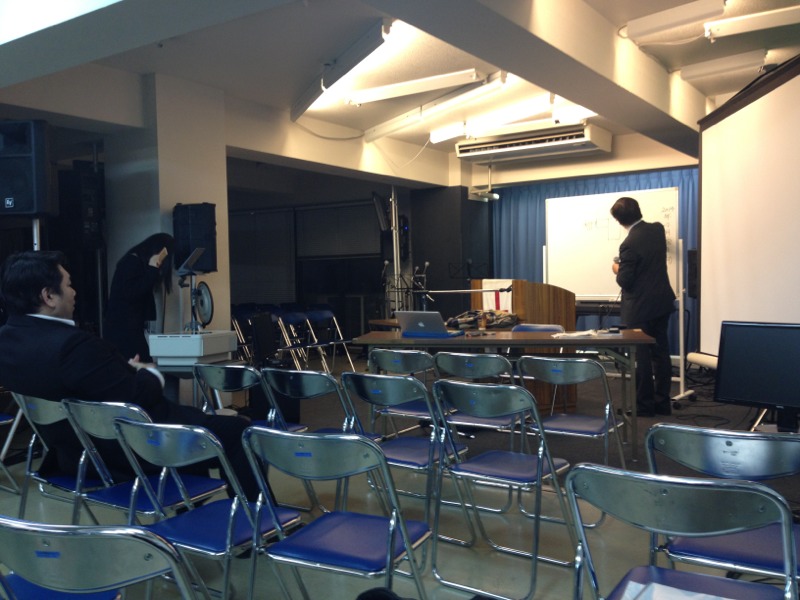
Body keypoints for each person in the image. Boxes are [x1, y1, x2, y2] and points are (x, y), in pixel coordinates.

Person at [0, 251, 258, 499]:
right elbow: (136, 397)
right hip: (129, 452)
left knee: (197, 439)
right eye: (68, 285)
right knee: (240, 432)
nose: (74, 292)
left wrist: (120, 370)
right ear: (49, 296)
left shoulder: (7, 341)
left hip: (74, 455)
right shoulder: (73, 345)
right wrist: (149, 372)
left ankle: (192, 512)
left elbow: (85, 384)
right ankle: (259, 517)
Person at [610, 196, 675, 417]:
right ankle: (662, 403)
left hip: (639, 308)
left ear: (619, 221)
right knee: (661, 354)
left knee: (641, 357)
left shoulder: (628, 244)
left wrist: (617, 268)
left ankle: (644, 406)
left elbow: (625, 281)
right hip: (662, 303)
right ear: (639, 211)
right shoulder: (657, 229)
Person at [104, 233, 175, 362]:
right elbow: (133, 292)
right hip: (123, 331)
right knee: (142, 365)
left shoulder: (133, 262)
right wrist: (153, 269)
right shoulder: (132, 262)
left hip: (127, 329)